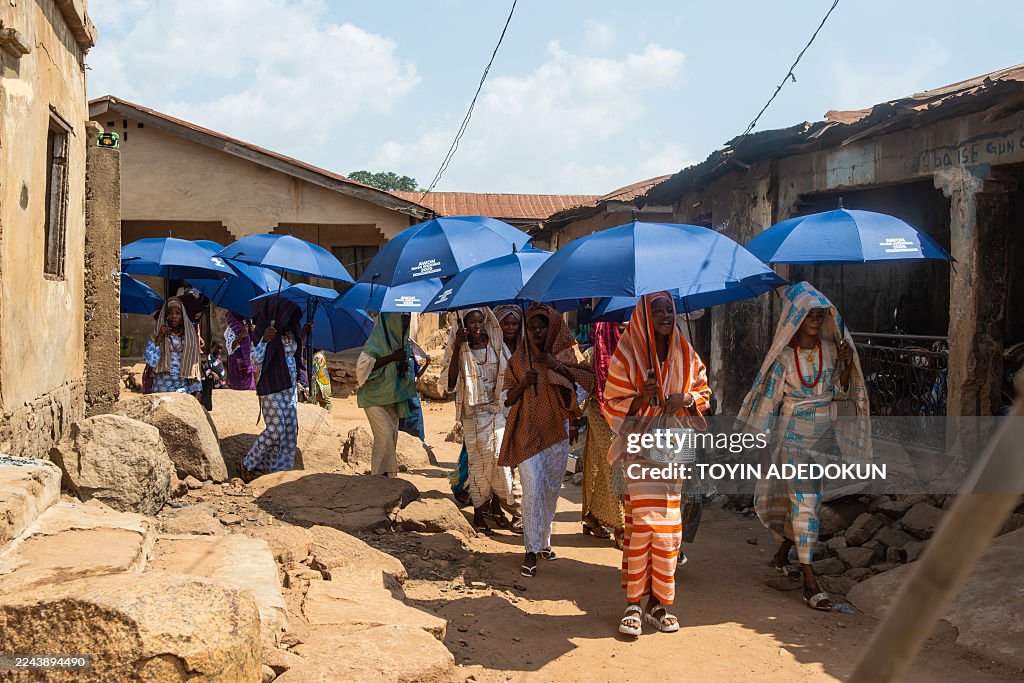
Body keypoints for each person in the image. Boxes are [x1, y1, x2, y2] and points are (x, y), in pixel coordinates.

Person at [738, 281, 871, 611]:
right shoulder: (784, 358)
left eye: (820, 312)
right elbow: (769, 400)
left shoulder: (830, 350)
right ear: (796, 317)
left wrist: (845, 366)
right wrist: (759, 441)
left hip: (823, 438)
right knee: (807, 502)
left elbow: (840, 393)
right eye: (809, 312)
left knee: (801, 500)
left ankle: (782, 553)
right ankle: (811, 582)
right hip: (793, 437)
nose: (815, 317)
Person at [604, 293, 711, 637]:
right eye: (658, 310)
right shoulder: (627, 354)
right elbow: (612, 403)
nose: (666, 315)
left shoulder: (686, 353)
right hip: (638, 449)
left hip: (675, 450)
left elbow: (704, 392)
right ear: (644, 317)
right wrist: (641, 397)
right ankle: (635, 601)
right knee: (651, 525)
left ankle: (658, 602)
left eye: (669, 309)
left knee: (664, 528)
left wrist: (687, 399)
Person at [498, 303, 594, 578]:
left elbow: (586, 382)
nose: (536, 332)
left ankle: (544, 541)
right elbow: (507, 398)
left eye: (541, 327)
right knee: (532, 488)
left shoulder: (567, 352)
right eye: (533, 327)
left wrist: (557, 366)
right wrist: (523, 384)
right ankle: (530, 550)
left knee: (550, 490)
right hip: (526, 431)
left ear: (551, 327)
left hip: (556, 432)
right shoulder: (518, 359)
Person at [443, 308, 519, 535]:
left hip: (496, 411)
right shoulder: (460, 347)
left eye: (479, 322)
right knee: (478, 466)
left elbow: (509, 374)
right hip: (473, 415)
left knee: (498, 459)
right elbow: (450, 383)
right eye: (471, 322)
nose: (476, 327)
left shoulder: (495, 345)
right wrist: (458, 346)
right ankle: (479, 513)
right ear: (463, 325)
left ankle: (496, 506)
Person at [241, 296, 307, 482]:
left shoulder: (291, 332)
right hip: (271, 385)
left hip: (290, 386)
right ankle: (248, 463)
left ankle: (278, 470)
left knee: (290, 430)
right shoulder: (265, 333)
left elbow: (295, 355)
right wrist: (264, 340)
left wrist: (304, 333)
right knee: (276, 428)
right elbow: (255, 361)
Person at [580, 321, 626, 546]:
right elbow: (582, 387)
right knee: (613, 467)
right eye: (620, 324)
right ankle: (621, 526)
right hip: (601, 416)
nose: (625, 326)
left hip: (631, 420)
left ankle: (591, 516)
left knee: (597, 465)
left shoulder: (637, 353)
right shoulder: (593, 355)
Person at [356, 313, 418, 477]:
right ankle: (378, 475)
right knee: (385, 436)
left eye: (407, 318)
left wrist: (404, 366)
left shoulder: (403, 343)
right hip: (373, 398)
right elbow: (362, 368)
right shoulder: (377, 341)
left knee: (392, 436)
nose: (405, 322)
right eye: (401, 318)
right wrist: (392, 357)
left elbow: (403, 372)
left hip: (392, 397)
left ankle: (387, 475)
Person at [144, 297, 202, 397]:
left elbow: (194, 363)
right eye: (170, 313)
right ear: (165, 316)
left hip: (182, 383)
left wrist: (196, 386)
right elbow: (150, 360)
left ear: (182, 317)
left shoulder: (189, 336)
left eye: (177, 313)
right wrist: (160, 336)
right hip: (162, 383)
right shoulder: (158, 333)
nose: (173, 316)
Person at [398, 339, 430, 441]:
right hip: (400, 394)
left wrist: (427, 364)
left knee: (417, 417)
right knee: (401, 419)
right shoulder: (397, 361)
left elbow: (418, 374)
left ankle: (420, 441)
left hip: (412, 394)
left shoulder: (413, 360)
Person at [223, 312, 257, 390]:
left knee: (250, 389)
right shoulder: (232, 328)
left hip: (247, 362)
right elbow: (230, 347)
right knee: (240, 390)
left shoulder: (246, 326)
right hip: (236, 363)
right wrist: (241, 335)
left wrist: (253, 331)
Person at [200, 342, 227, 410]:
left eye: (221, 349)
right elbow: (206, 368)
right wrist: (212, 373)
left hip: (220, 382)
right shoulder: (210, 357)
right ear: (212, 347)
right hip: (212, 382)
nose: (219, 350)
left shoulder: (219, 357)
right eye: (217, 348)